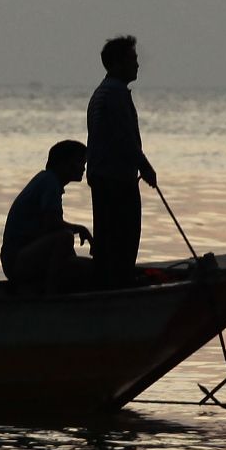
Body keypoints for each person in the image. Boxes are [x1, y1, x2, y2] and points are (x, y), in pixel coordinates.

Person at [86, 34, 157, 289]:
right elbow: (125, 138)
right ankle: (117, 286)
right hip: (115, 179)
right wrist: (145, 167)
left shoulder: (103, 92)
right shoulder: (113, 94)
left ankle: (110, 282)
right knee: (123, 238)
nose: (137, 65)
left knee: (109, 238)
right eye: (132, 59)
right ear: (116, 63)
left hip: (105, 176)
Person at [0, 139, 91, 293]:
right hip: (16, 261)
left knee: (87, 267)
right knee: (65, 237)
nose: (83, 167)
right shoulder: (50, 183)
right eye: (79, 162)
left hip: (26, 256)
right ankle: (51, 293)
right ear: (63, 163)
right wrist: (81, 229)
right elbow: (52, 224)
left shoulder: (48, 181)